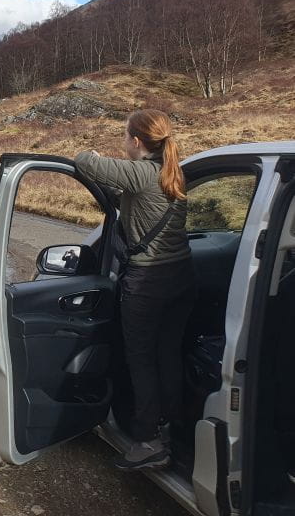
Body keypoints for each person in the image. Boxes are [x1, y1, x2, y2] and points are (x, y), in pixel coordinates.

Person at [75, 109, 196, 471]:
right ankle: (173, 428)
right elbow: (131, 203)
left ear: (137, 140)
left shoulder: (142, 172)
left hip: (148, 284)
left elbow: (83, 162)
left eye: (125, 135)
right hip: (181, 277)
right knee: (168, 356)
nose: (122, 141)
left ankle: (148, 441)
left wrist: (93, 158)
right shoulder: (170, 173)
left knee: (141, 359)